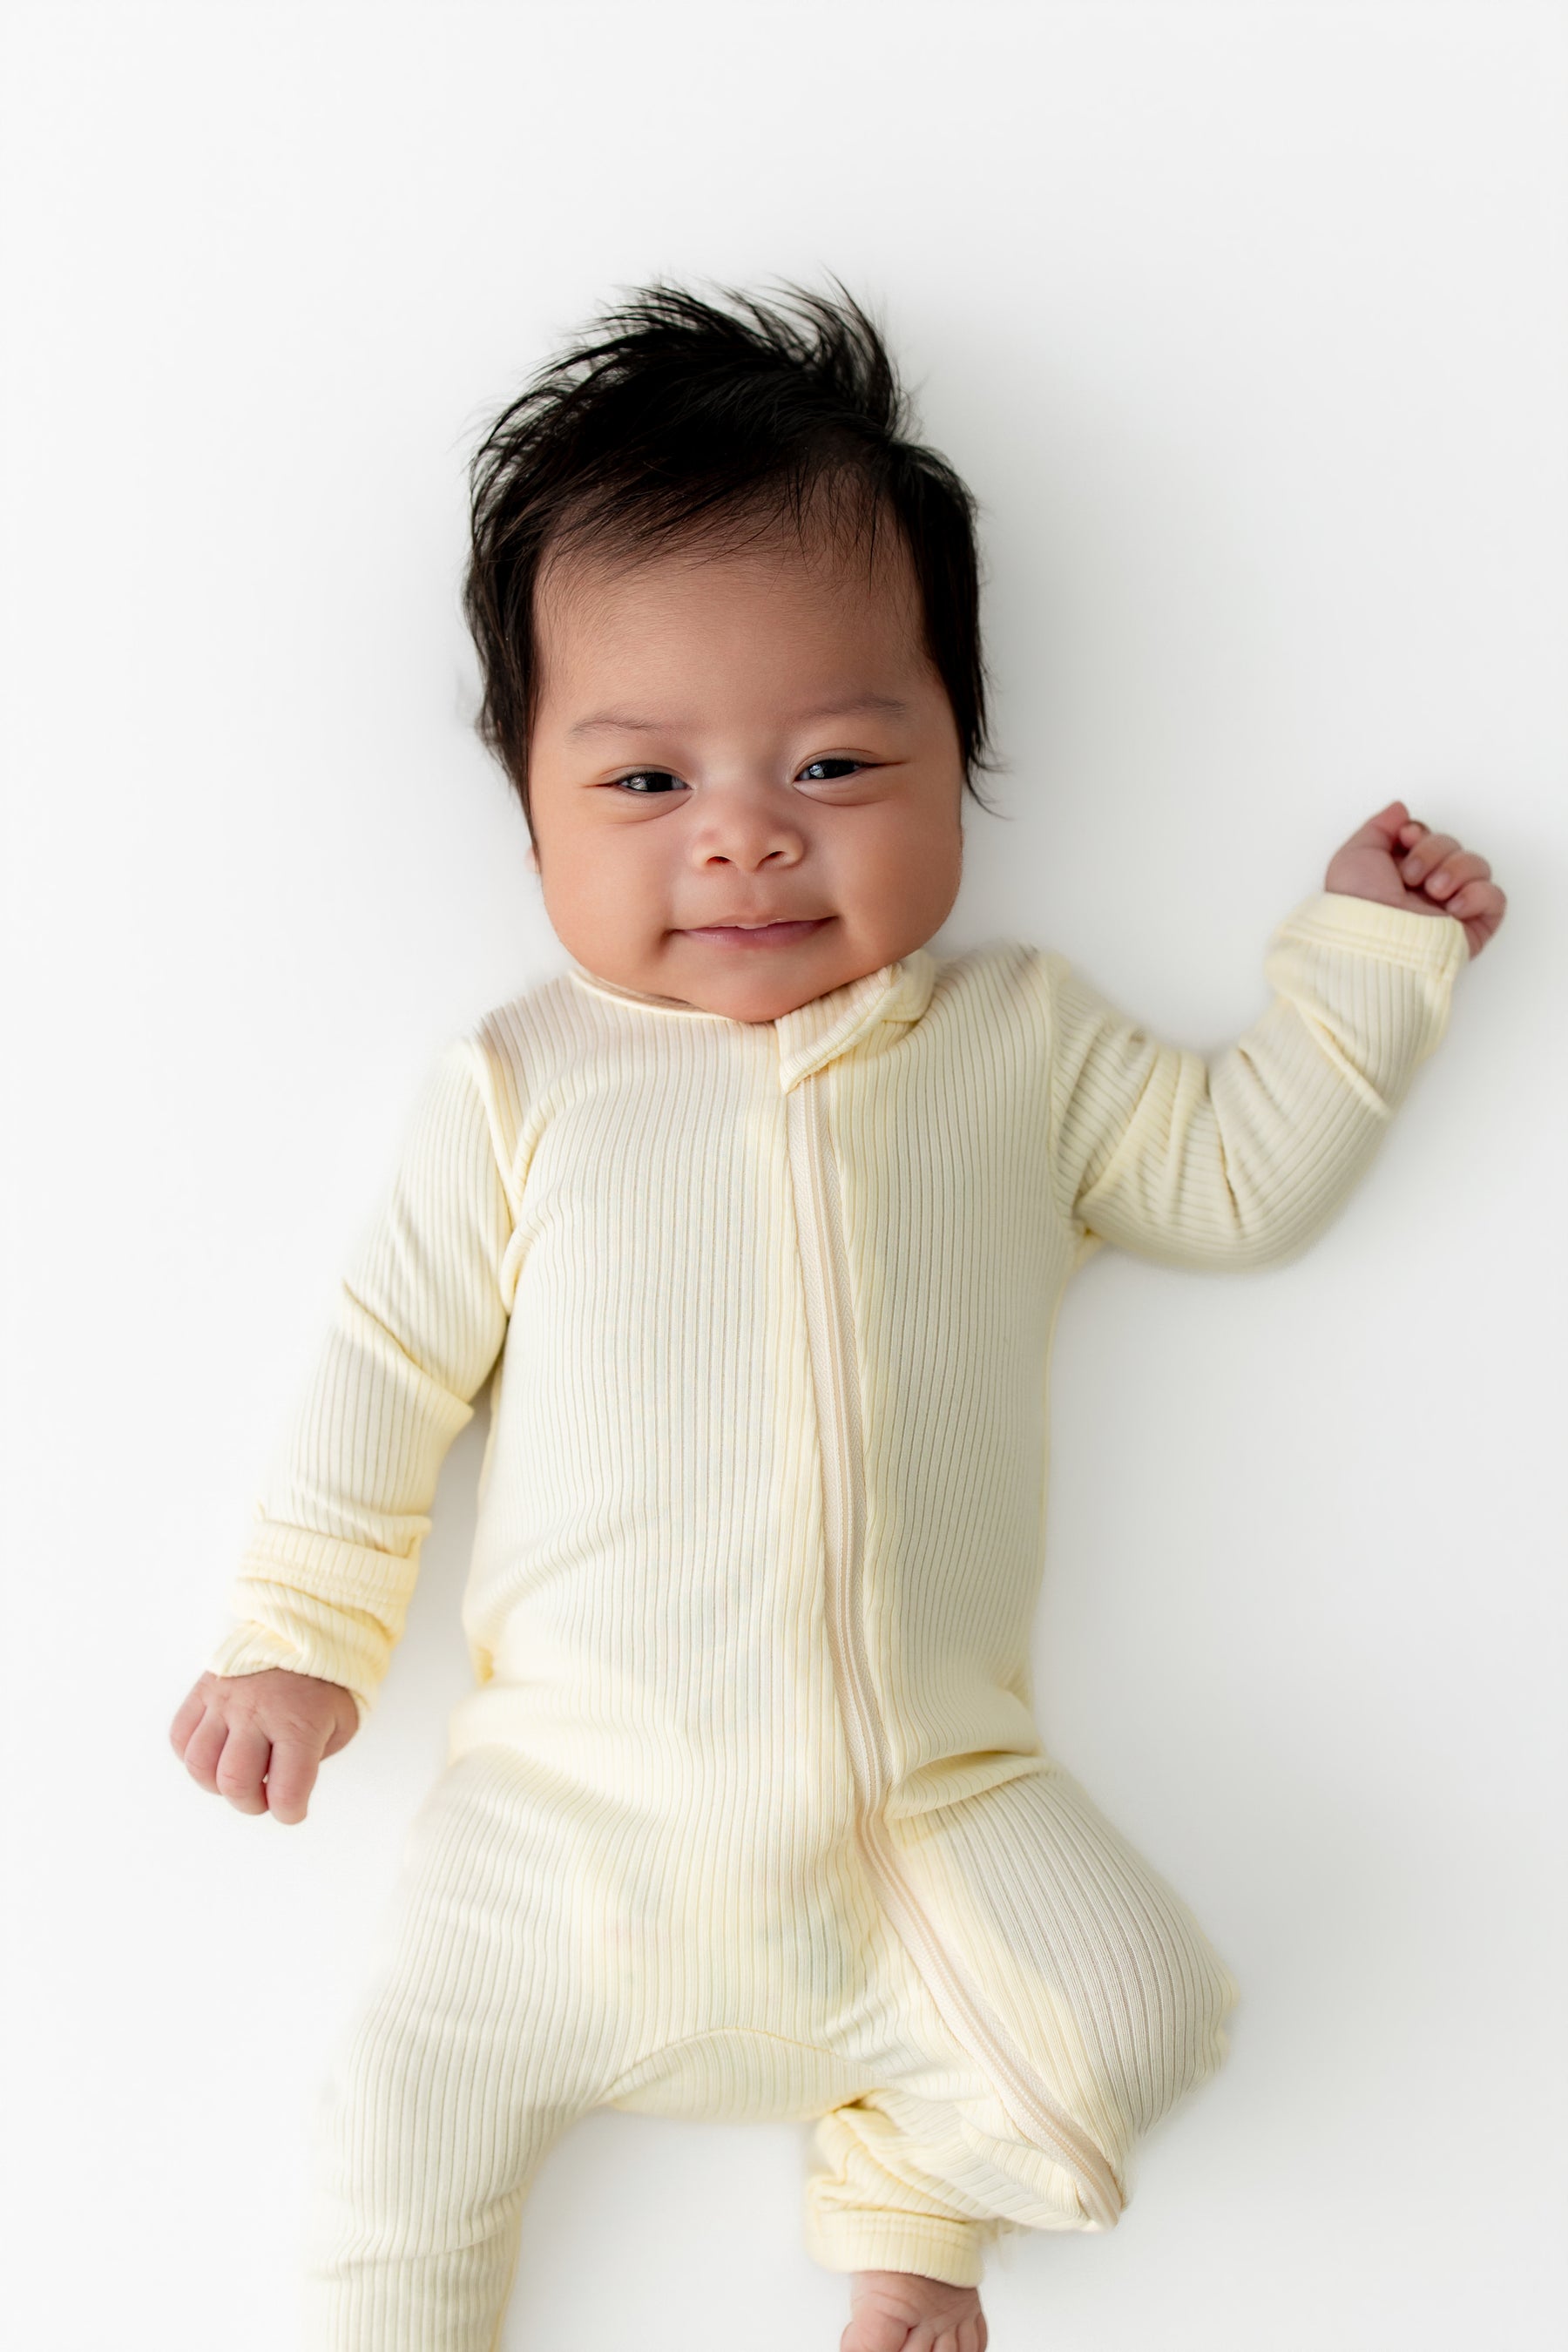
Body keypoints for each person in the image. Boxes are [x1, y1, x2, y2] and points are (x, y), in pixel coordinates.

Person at [167, 280, 1505, 2352]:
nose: (746, 833)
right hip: (561, 1847)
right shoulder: (525, 1085)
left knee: (1152, 2008)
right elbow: (384, 1370)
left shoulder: (1018, 1046)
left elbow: (1233, 1186)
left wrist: (1361, 965)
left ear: (960, 752)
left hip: (923, 1825)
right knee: (392, 2151)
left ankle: (911, 2209)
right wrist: (297, 1639)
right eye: (642, 785)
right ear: (527, 799)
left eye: (836, 756)